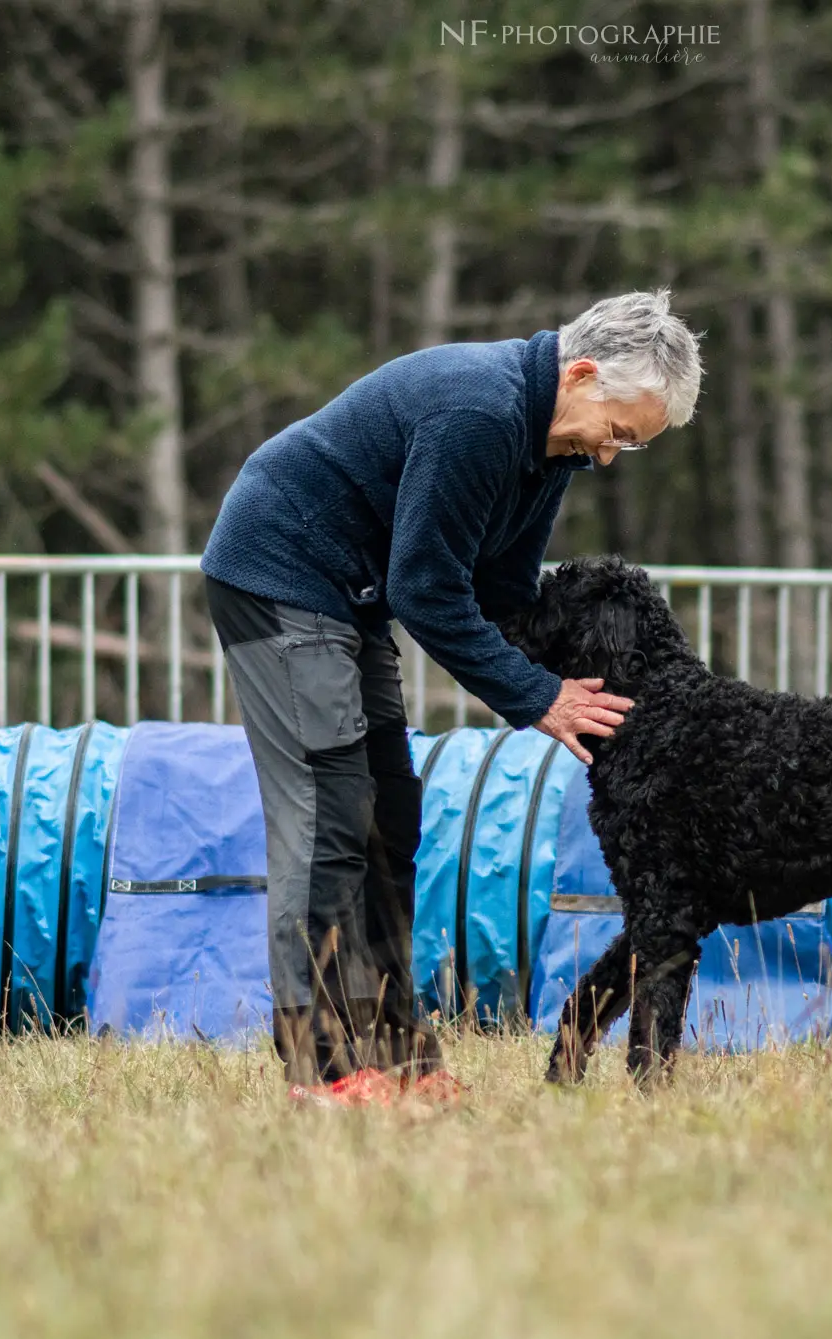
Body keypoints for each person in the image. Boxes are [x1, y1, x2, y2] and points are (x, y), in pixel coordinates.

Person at [200, 289, 704, 1106]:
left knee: (389, 818)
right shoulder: (480, 413)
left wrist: (614, 689)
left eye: (631, 446)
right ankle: (324, 1070)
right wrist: (541, 698)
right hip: (280, 573)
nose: (611, 454)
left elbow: (501, 589)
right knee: (331, 816)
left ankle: (398, 1057)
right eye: (618, 431)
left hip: (348, 596)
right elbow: (427, 590)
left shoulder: (552, 448)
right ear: (580, 375)